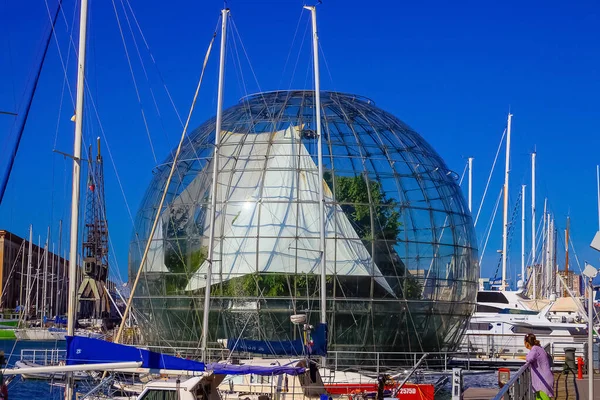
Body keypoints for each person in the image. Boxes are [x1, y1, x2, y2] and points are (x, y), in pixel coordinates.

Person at [524, 333, 554, 400]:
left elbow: (529, 358)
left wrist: (526, 356)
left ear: (526, 343)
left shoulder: (534, 349)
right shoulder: (539, 348)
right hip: (545, 379)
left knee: (543, 397)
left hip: (543, 381)